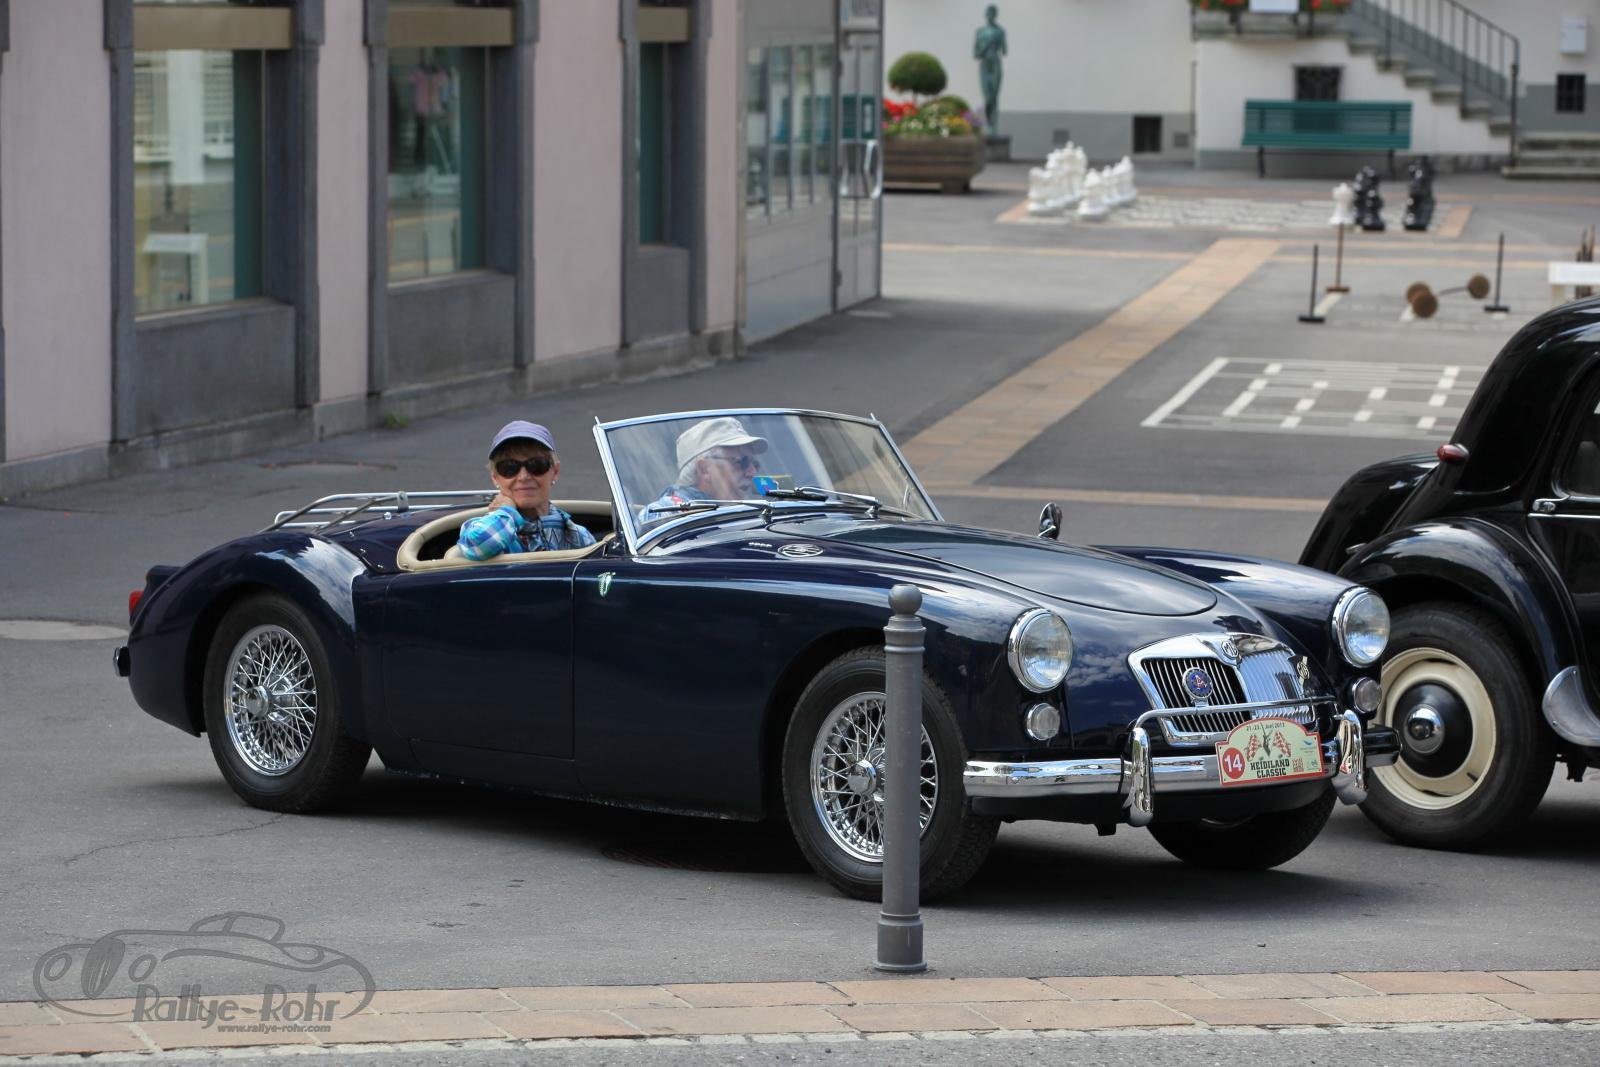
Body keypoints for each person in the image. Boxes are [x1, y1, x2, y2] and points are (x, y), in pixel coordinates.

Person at [457, 421, 596, 560]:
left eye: (536, 465)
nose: (523, 477)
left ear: (555, 472)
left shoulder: (580, 537)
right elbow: (477, 546)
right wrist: (507, 512)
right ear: (495, 478)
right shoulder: (477, 528)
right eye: (509, 467)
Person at [640, 416, 769, 522]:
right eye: (742, 462)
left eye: (755, 464)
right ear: (704, 469)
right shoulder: (663, 514)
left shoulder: (748, 512)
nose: (752, 472)